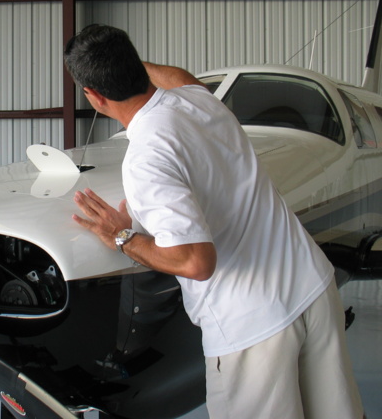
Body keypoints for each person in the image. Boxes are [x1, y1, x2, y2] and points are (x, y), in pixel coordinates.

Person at [64, 24, 364, 418]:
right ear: (134, 65)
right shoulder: (198, 101)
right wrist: (126, 62)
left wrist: (121, 237)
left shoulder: (145, 158)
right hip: (312, 285)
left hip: (253, 325)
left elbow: (195, 262)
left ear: (94, 96)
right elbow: (182, 79)